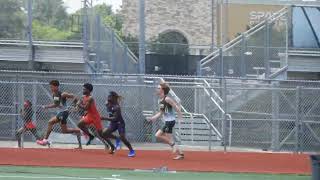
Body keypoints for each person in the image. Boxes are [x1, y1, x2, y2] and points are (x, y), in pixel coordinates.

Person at [36, 80, 82, 149]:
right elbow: (57, 104)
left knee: (50, 122)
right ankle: (78, 131)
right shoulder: (55, 94)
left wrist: (77, 106)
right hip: (62, 113)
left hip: (63, 113)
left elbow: (57, 104)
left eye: (52, 87)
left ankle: (45, 140)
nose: (51, 88)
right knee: (65, 131)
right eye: (50, 87)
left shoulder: (62, 94)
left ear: (56, 87)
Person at [147, 81, 184, 160]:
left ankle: (174, 146)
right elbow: (161, 112)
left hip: (170, 121)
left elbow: (175, 106)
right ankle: (180, 153)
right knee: (168, 139)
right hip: (167, 121)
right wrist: (153, 118)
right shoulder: (160, 100)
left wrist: (180, 115)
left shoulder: (167, 99)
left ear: (162, 90)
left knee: (158, 135)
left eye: (158, 88)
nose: (157, 89)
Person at [76, 83, 115, 154]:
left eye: (84, 89)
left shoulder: (90, 98)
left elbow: (86, 108)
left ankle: (112, 146)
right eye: (83, 88)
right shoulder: (83, 96)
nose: (83, 90)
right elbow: (84, 106)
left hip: (95, 117)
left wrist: (79, 105)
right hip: (89, 115)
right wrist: (79, 102)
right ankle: (90, 136)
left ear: (88, 90)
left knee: (101, 134)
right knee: (79, 124)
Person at [101, 91, 135, 157]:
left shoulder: (117, 107)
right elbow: (110, 114)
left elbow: (115, 118)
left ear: (114, 98)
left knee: (122, 137)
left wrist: (104, 118)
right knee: (104, 133)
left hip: (120, 123)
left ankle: (131, 150)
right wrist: (107, 106)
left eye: (109, 96)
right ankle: (114, 144)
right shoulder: (108, 104)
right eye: (108, 96)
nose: (108, 98)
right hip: (113, 123)